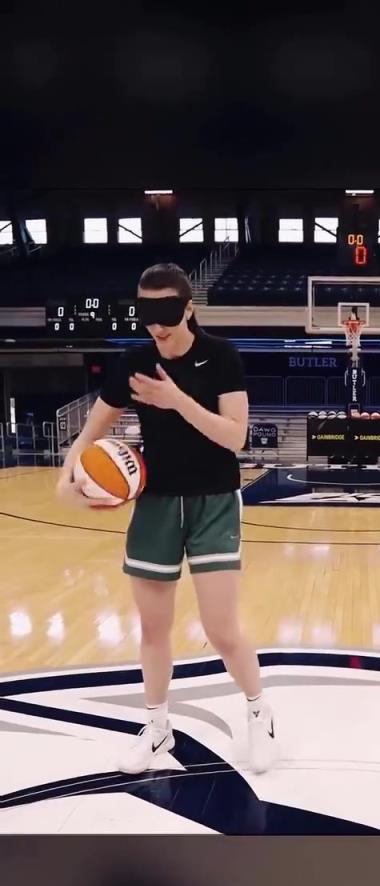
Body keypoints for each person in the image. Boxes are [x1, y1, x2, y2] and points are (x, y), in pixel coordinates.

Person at [56, 263, 275, 774]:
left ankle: (260, 715)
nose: (157, 325)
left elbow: (235, 436)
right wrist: (69, 475)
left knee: (221, 629)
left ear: (188, 308)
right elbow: (91, 430)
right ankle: (157, 731)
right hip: (155, 503)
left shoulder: (221, 357)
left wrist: (176, 400)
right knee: (153, 629)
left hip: (213, 500)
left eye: (167, 313)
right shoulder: (135, 362)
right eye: (147, 313)